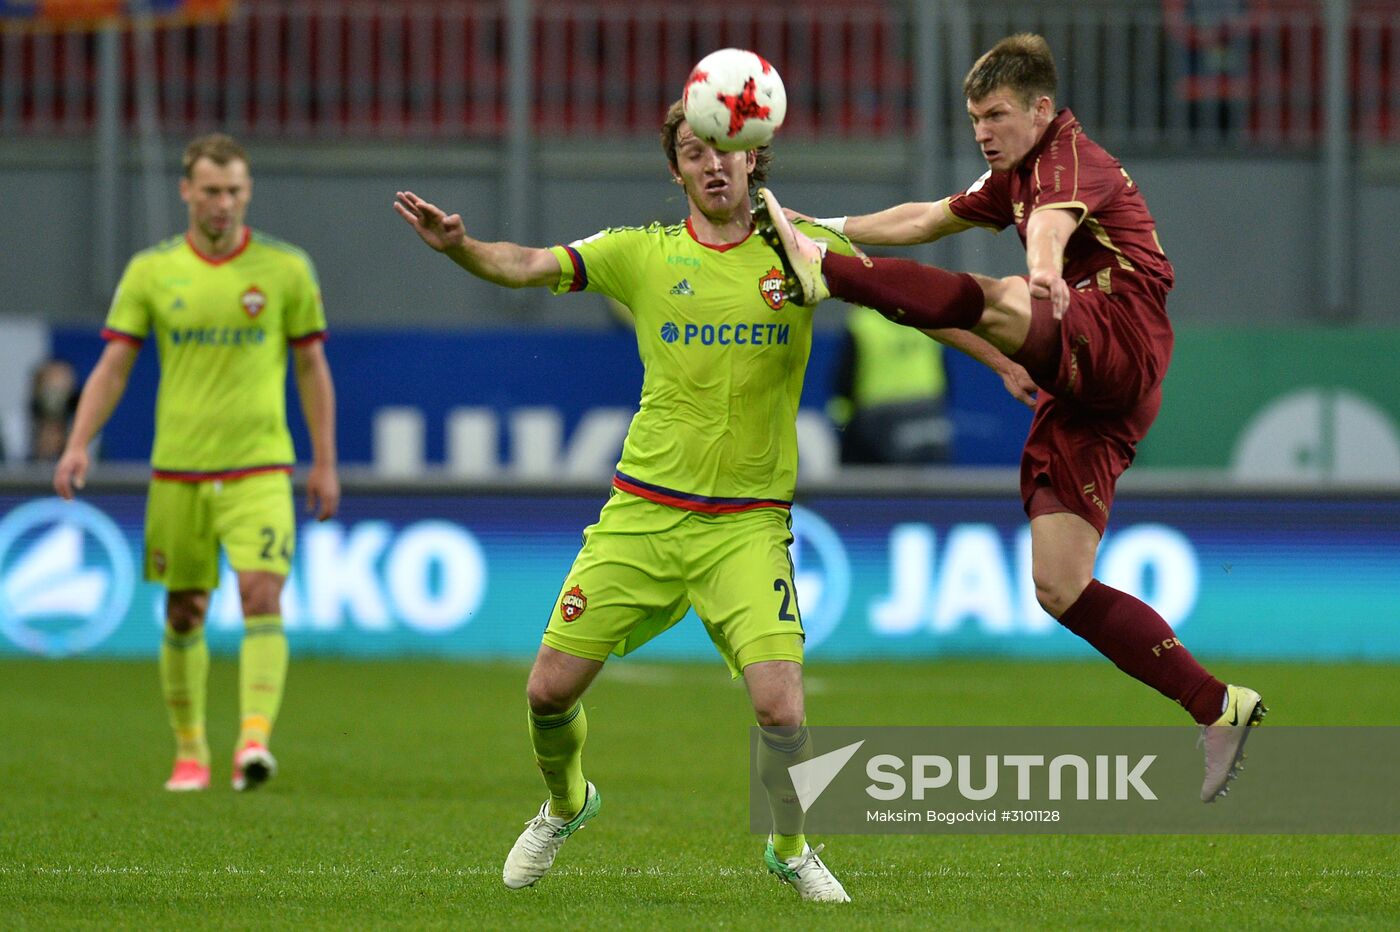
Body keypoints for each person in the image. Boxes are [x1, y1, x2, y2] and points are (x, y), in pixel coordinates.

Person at [399, 100, 940, 903]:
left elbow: (916, 298)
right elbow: (526, 264)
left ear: (755, 156)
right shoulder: (637, 255)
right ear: (677, 170)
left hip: (747, 525)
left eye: (726, 149)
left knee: (782, 708)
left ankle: (790, 847)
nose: (712, 164)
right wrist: (462, 249)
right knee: (547, 690)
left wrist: (1005, 358)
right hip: (643, 514)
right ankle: (565, 802)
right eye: (694, 153)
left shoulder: (802, 249)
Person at [757, 33, 1264, 803]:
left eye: (994, 116)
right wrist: (827, 223)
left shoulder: (1067, 160)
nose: (983, 133)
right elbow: (927, 217)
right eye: (973, 121)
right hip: (1094, 382)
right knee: (1058, 585)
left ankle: (822, 276)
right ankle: (1218, 705)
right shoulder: (1012, 175)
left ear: (1039, 108)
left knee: (992, 296)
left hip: (1119, 332)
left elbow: (1055, 227)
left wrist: (1038, 272)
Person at [53, 133, 340, 794]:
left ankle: (253, 744)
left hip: (261, 466)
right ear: (187, 191)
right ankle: (190, 753)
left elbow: (311, 366)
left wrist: (323, 461)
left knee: (262, 592)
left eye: (236, 190)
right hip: (178, 470)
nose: (224, 203)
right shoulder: (151, 272)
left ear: (248, 192)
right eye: (211, 190)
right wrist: (76, 443)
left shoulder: (286, 269)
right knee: (185, 610)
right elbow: (115, 365)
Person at [828, 302, 954, 465]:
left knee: (868, 482)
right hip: (928, 409)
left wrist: (844, 423)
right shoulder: (925, 317)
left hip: (876, 415)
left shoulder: (862, 323)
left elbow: (844, 381)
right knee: (932, 479)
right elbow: (944, 370)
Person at [29, 359, 79, 462]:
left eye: (64, 391)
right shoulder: (13, 430)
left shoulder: (87, 432)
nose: (57, 399)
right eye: (52, 391)